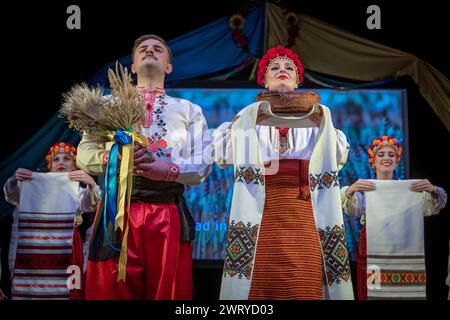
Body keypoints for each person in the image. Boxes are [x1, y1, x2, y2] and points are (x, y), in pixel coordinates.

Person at [77, 34, 212, 300]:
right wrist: (114, 158)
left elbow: (203, 163)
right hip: (117, 211)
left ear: (169, 66)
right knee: (111, 290)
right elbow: (84, 153)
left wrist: (166, 169)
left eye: (158, 49)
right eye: (143, 49)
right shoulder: (106, 105)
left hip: (166, 212)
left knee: (168, 292)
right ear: (133, 67)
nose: (150, 51)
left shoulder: (188, 109)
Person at [213, 46, 353, 300]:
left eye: (289, 68)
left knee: (304, 280)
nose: (282, 71)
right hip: (259, 213)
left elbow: (339, 156)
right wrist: (241, 123)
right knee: (258, 282)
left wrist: (322, 125)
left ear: (298, 80)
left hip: (304, 213)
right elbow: (223, 156)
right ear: (264, 80)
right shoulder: (247, 117)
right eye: (274, 68)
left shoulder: (319, 117)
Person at [341, 136, 447, 299]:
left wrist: (433, 190)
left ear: (397, 161)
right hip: (372, 252)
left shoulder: (409, 191)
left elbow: (434, 206)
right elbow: (352, 209)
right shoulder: (366, 189)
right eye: (381, 154)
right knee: (373, 292)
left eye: (391, 154)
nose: (386, 158)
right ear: (373, 161)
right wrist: (350, 190)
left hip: (402, 252)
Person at [3, 142, 100, 299]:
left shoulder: (78, 190)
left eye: (67, 158)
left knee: (68, 291)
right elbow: (12, 195)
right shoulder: (31, 188)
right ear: (49, 165)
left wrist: (91, 184)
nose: (61, 162)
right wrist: (14, 180)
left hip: (68, 246)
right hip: (36, 246)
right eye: (56, 159)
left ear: (75, 165)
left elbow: (90, 203)